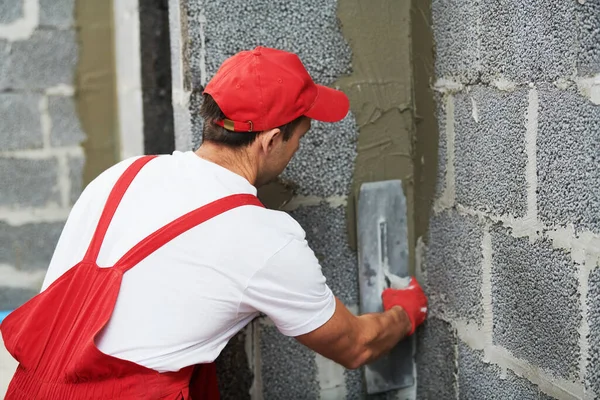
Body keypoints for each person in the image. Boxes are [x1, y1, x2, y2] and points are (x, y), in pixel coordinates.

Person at [0, 46, 427, 399]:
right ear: (271, 140)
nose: (297, 147)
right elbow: (354, 345)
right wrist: (404, 314)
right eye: (301, 136)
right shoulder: (263, 238)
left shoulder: (121, 176)